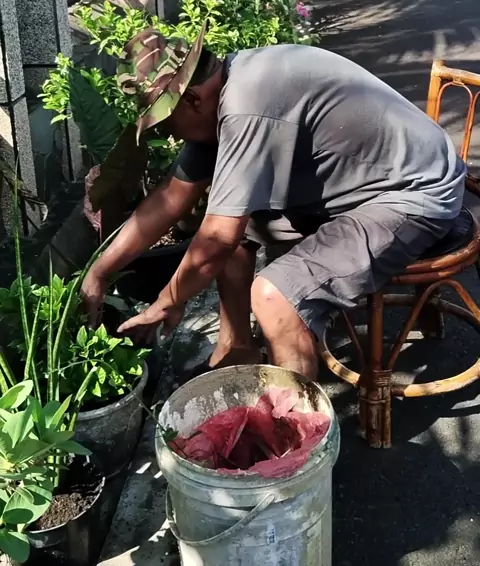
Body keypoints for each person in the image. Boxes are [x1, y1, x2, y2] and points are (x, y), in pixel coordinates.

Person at [81, 23, 466, 380]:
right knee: (239, 223)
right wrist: (99, 271)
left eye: (166, 123)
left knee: (275, 297)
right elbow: (171, 197)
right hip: (367, 185)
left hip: (414, 194)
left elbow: (216, 240)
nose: (170, 135)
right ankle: (237, 349)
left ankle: (291, 426)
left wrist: (169, 300)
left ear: (192, 100)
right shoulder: (227, 88)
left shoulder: (246, 105)